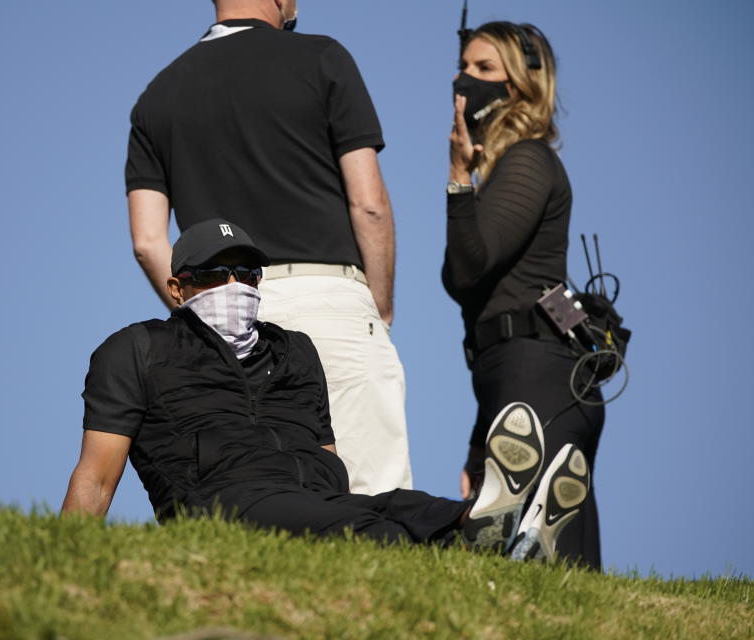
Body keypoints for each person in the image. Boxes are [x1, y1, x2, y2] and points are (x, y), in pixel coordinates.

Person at [63, 219, 589, 560]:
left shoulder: (293, 349)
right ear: (178, 288)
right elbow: (95, 479)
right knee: (373, 532)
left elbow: (326, 458)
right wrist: (69, 563)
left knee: (403, 506)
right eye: (216, 274)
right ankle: (500, 543)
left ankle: (494, 530)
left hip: (314, 500)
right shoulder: (137, 349)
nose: (235, 286)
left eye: (247, 273)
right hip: (221, 507)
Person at [126, 0, 411, 494]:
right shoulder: (323, 58)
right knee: (375, 498)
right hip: (330, 297)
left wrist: (201, 316)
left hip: (220, 310)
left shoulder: (157, 96)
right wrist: (379, 304)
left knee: (266, 496)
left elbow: (149, 242)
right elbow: (369, 206)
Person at [443, 22, 604, 567]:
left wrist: (458, 178)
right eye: (464, 67)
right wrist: (475, 441)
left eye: (485, 69)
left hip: (539, 376)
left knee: (554, 556)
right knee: (517, 552)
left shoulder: (529, 160)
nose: (466, 79)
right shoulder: (512, 167)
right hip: (512, 377)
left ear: (521, 85)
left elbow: (468, 266)